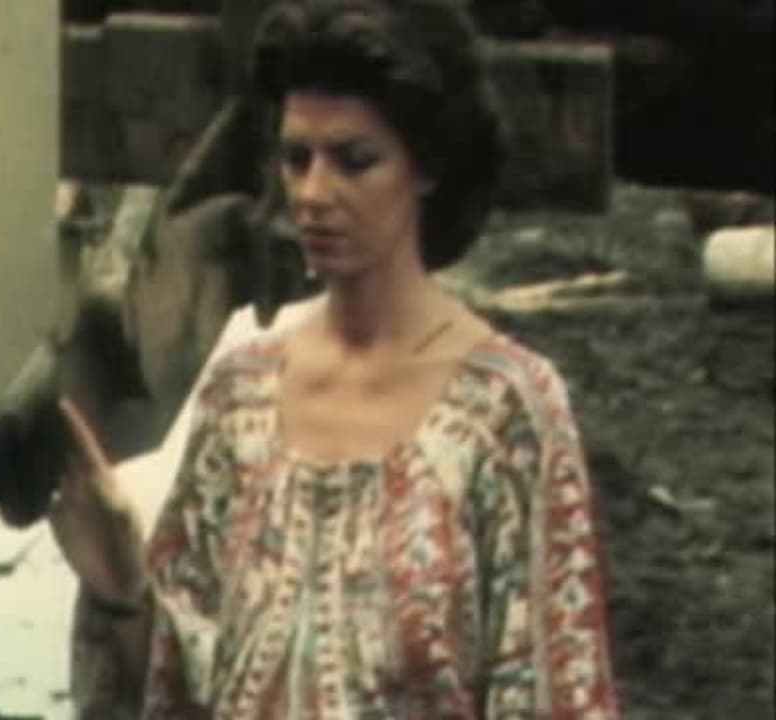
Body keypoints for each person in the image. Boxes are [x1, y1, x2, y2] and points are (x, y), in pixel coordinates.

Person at [49, 0, 621, 717]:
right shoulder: (240, 397)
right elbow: (181, 691)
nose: (314, 193)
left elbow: (556, 696)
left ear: (427, 167)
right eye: (296, 158)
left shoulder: (507, 416)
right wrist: (124, 590)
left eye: (355, 160)